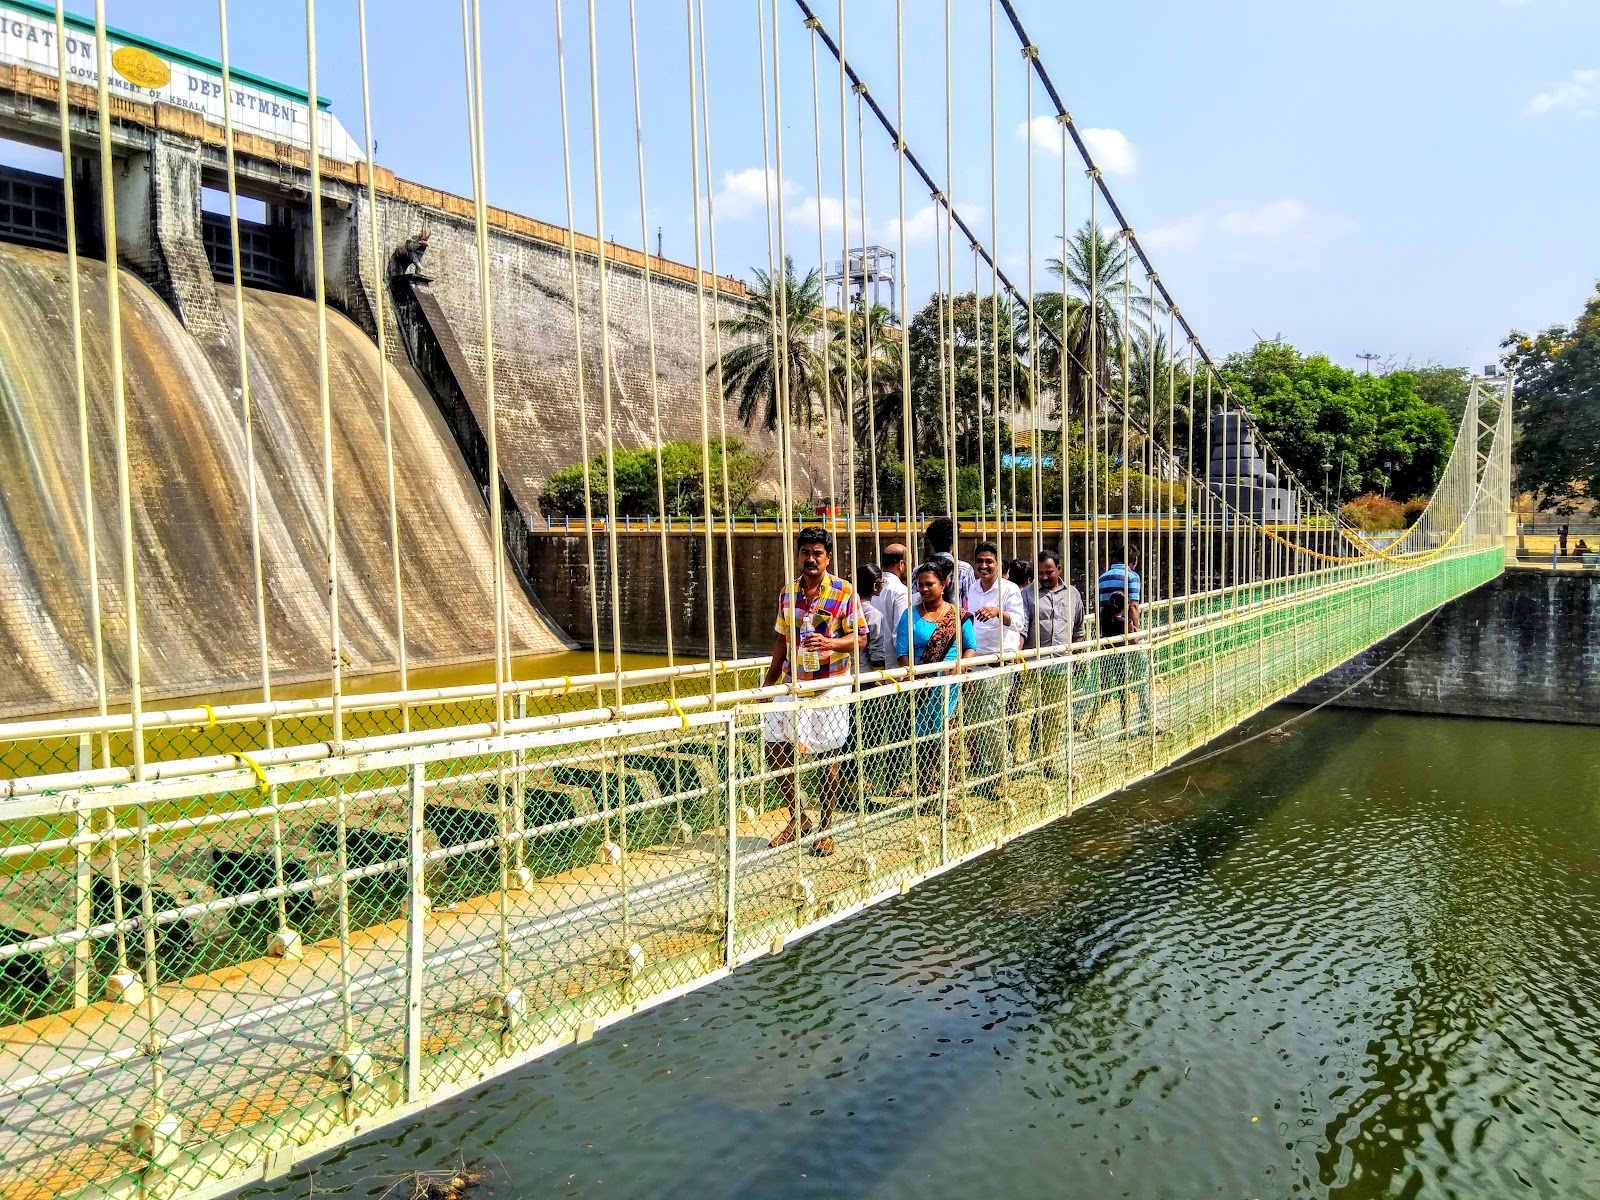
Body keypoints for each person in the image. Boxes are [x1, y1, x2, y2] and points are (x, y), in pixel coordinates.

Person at [762, 526, 868, 856]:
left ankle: (826, 825)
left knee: (827, 760)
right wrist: (769, 683)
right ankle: (799, 817)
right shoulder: (787, 593)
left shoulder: (844, 591)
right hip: (794, 684)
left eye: (817, 553)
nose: (811, 558)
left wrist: (830, 643)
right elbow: (782, 639)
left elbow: (861, 638)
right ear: (798, 556)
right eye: (805, 552)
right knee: (773, 748)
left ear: (828, 557)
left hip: (829, 684)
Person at [895, 560, 977, 798]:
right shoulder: (909, 615)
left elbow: (970, 647)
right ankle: (926, 793)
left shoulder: (958, 616)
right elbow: (903, 652)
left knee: (948, 741)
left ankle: (948, 791)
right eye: (920, 585)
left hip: (949, 688)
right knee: (922, 742)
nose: (924, 589)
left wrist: (961, 667)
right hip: (920, 688)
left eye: (930, 584)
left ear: (943, 584)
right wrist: (913, 675)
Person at [962, 540, 1026, 795]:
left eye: (989, 561)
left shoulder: (1009, 589)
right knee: (979, 721)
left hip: (998, 663)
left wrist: (998, 612)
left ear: (998, 564)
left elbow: (1019, 622)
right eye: (980, 561)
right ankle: (991, 771)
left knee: (993, 720)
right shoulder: (973, 588)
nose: (984, 566)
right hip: (975, 662)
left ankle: (1001, 773)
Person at [1015, 548, 1086, 771]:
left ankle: (1048, 761)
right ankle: (1020, 762)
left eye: (1049, 572)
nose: (1044, 577)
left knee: (1054, 714)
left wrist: (1077, 654)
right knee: (1023, 713)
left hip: (1059, 663)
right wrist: (1018, 656)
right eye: (1040, 573)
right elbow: (1023, 627)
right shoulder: (1028, 594)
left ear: (1059, 569)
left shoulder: (1073, 593)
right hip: (1032, 662)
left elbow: (1078, 627)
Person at [1078, 541, 1152, 735]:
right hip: (1125, 637)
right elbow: (1134, 606)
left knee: (1100, 682)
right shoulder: (1132, 576)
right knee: (1140, 678)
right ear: (1134, 561)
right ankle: (1144, 721)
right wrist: (1135, 633)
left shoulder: (1103, 577)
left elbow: (1099, 607)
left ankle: (1079, 717)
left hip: (1106, 636)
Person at [924, 516, 975, 607]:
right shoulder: (964, 569)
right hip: (955, 618)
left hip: (926, 618)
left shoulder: (919, 570)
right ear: (954, 542)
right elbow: (972, 600)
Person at [874, 543, 910, 653]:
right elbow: (900, 630)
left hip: (870, 656)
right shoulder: (900, 590)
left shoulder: (871, 585)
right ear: (901, 564)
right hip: (893, 661)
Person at [856, 562, 892, 671]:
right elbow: (877, 650)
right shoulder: (873, 614)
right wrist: (879, 679)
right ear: (875, 586)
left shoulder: (845, 608)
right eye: (883, 582)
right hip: (865, 673)